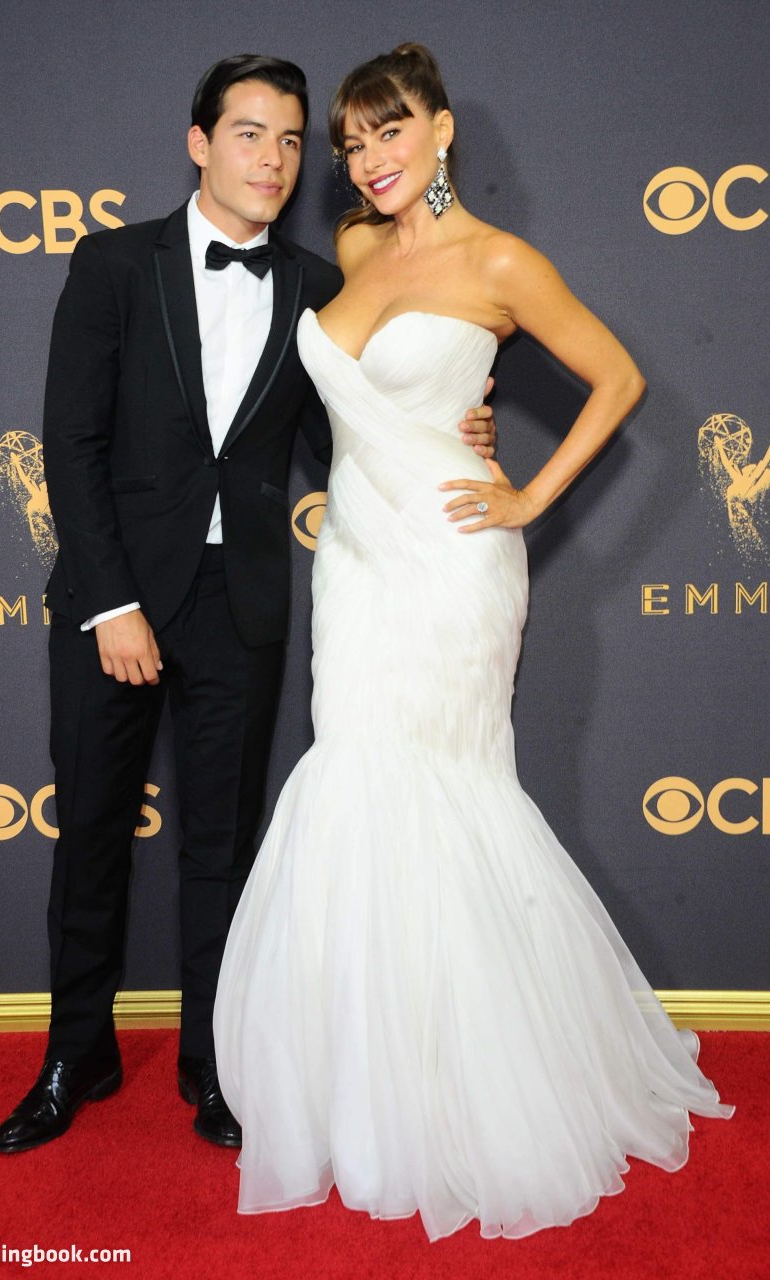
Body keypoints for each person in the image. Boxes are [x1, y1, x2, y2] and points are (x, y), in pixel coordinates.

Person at [213, 43, 732, 1239]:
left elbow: (618, 378)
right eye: (351, 142)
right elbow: (352, 399)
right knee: (354, 782)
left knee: (437, 789)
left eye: (389, 131)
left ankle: (474, 1092)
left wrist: (527, 494)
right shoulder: (354, 248)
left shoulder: (501, 262)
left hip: (452, 561)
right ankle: (373, 1087)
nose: (368, 159)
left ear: (442, 131)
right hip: (355, 559)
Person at [0, 53, 496, 1157]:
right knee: (90, 834)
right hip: (113, 599)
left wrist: (453, 421)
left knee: (221, 846)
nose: (272, 159)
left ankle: (213, 1061)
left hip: (243, 601)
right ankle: (76, 1051)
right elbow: (69, 444)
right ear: (199, 143)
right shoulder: (114, 263)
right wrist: (113, 604)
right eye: (248, 134)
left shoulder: (318, 285)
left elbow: (351, 428)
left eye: (290, 140)